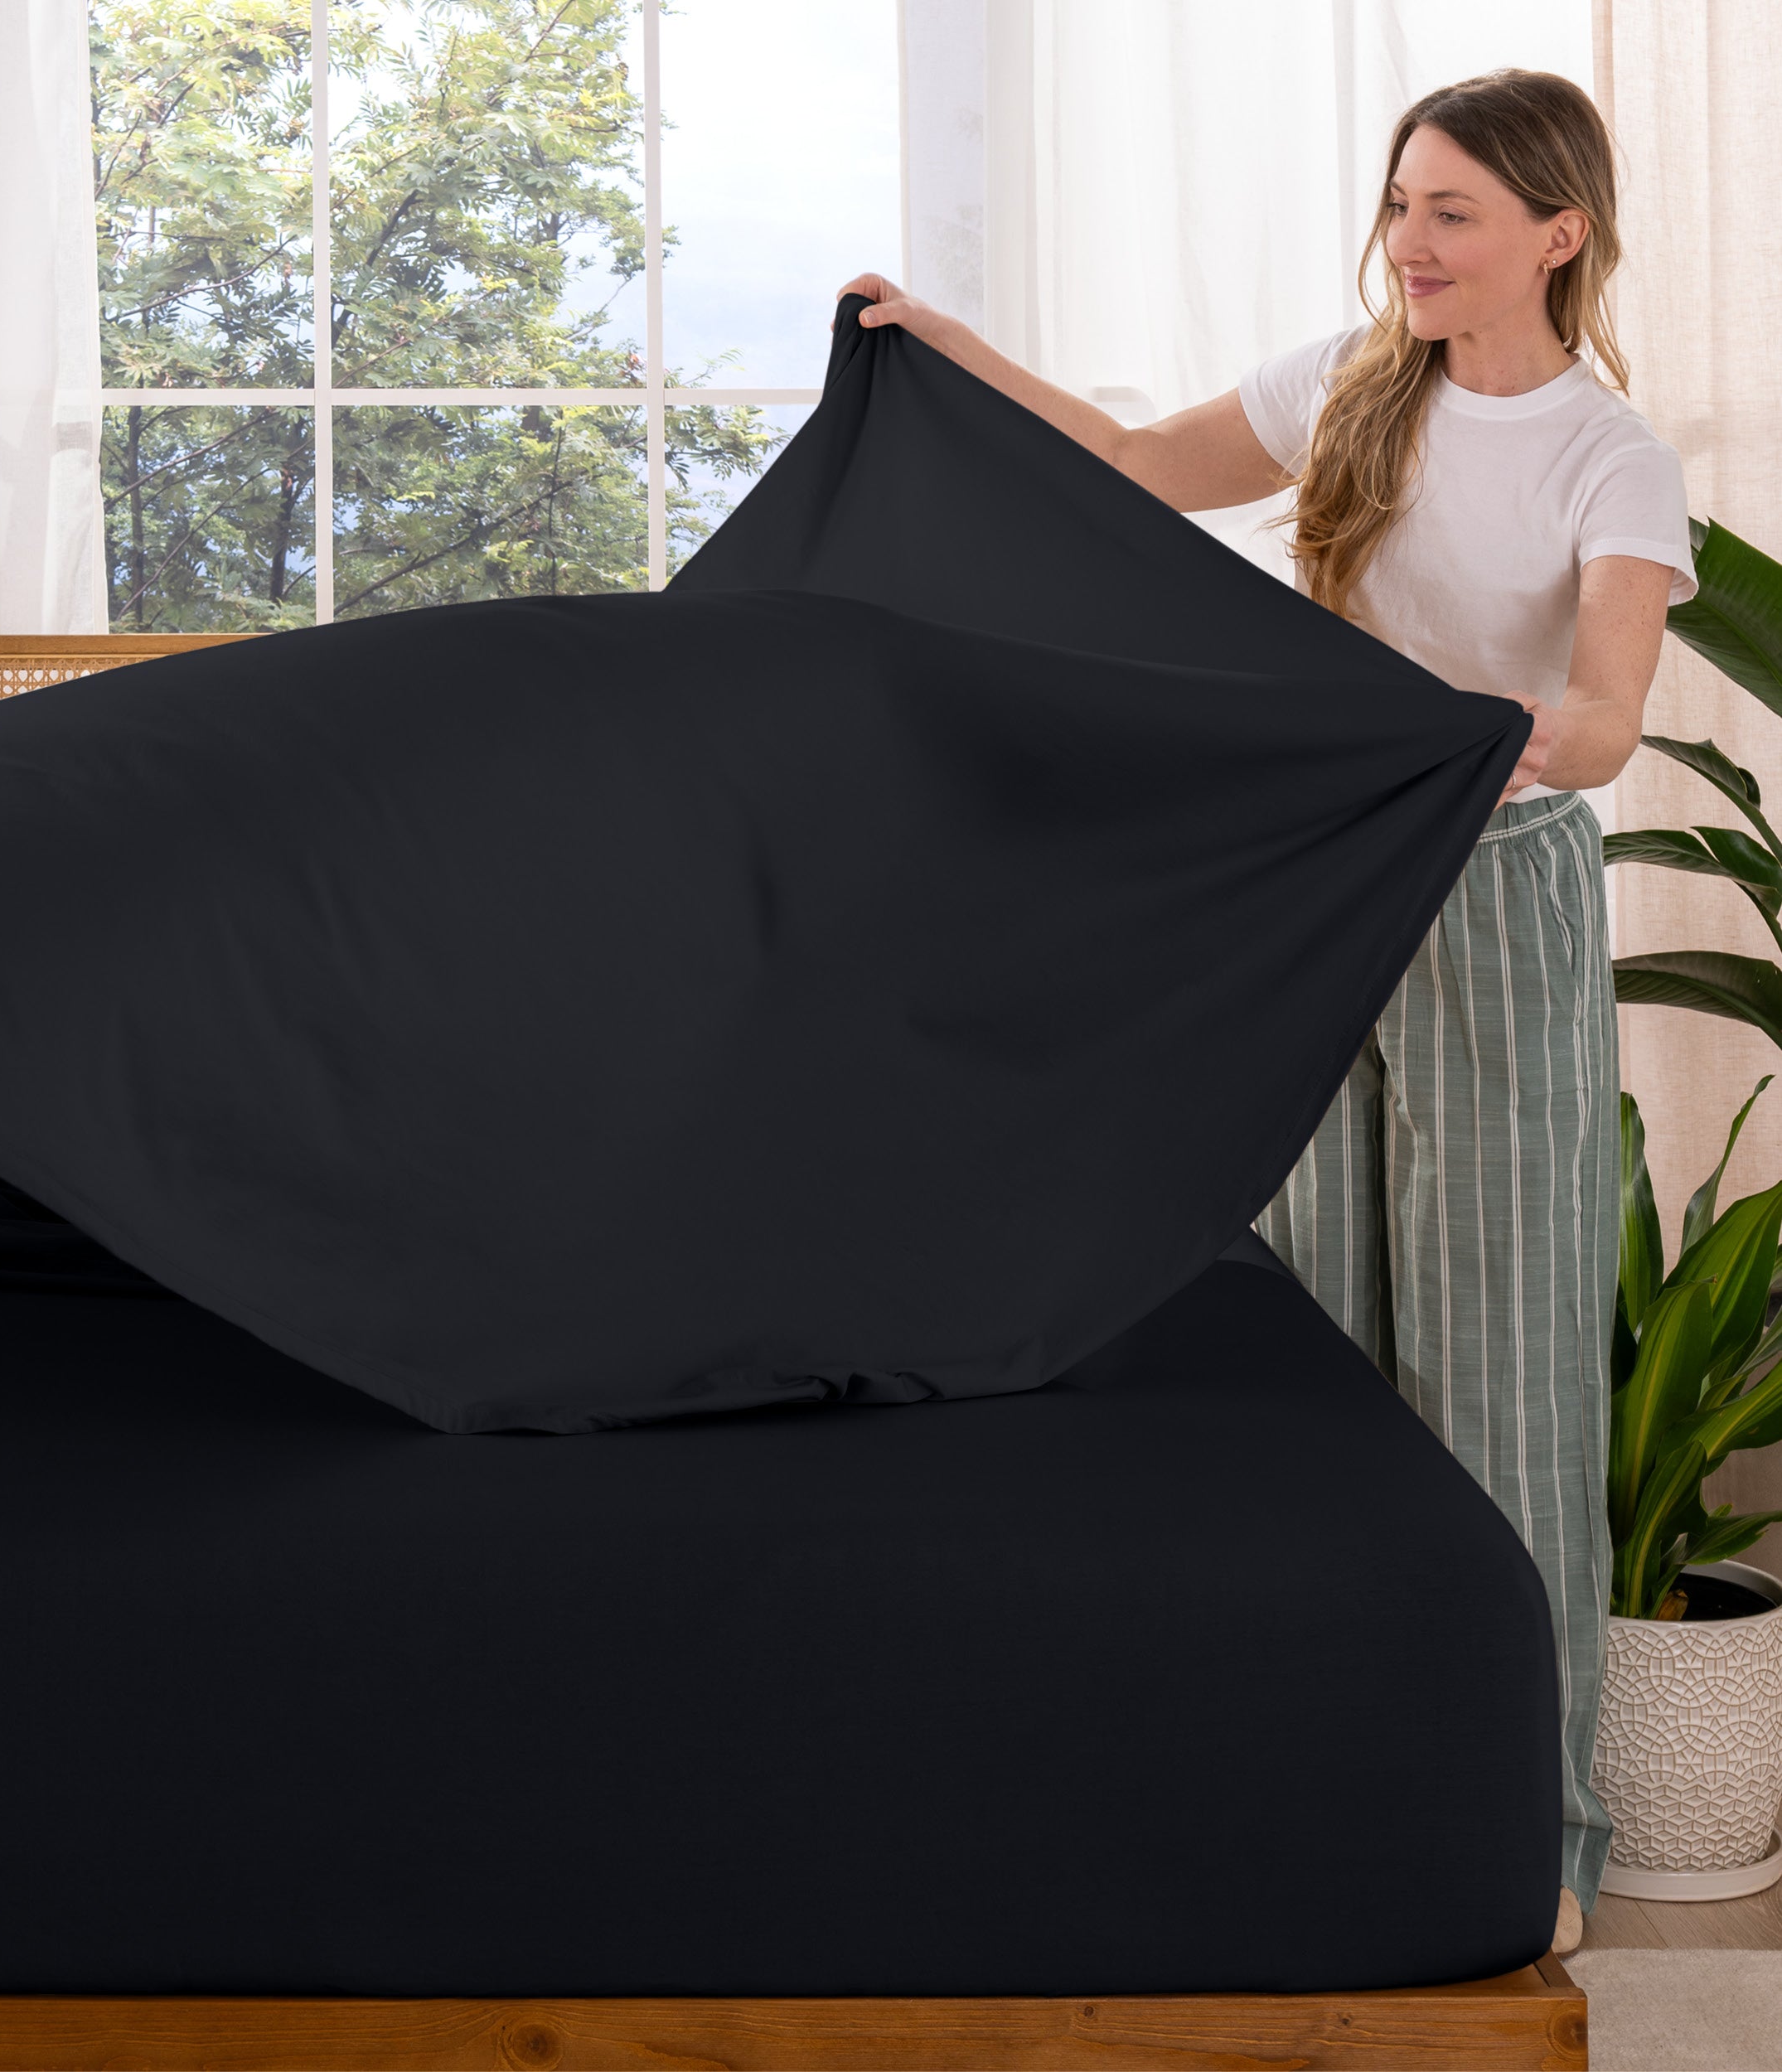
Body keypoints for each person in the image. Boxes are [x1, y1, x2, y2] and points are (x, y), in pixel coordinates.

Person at [840, 68, 1696, 1958]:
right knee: (1312, 1355)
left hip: (1488, 890)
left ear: (1556, 232)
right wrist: (947, 346)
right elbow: (1134, 472)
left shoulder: (1606, 455)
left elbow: (1606, 720)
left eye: (1452, 210)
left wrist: (1446, 742)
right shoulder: (1344, 380)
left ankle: (1531, 1825)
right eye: (1399, 203)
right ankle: (1333, 1786)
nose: (1408, 240)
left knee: (1491, 1381)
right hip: (1309, 884)